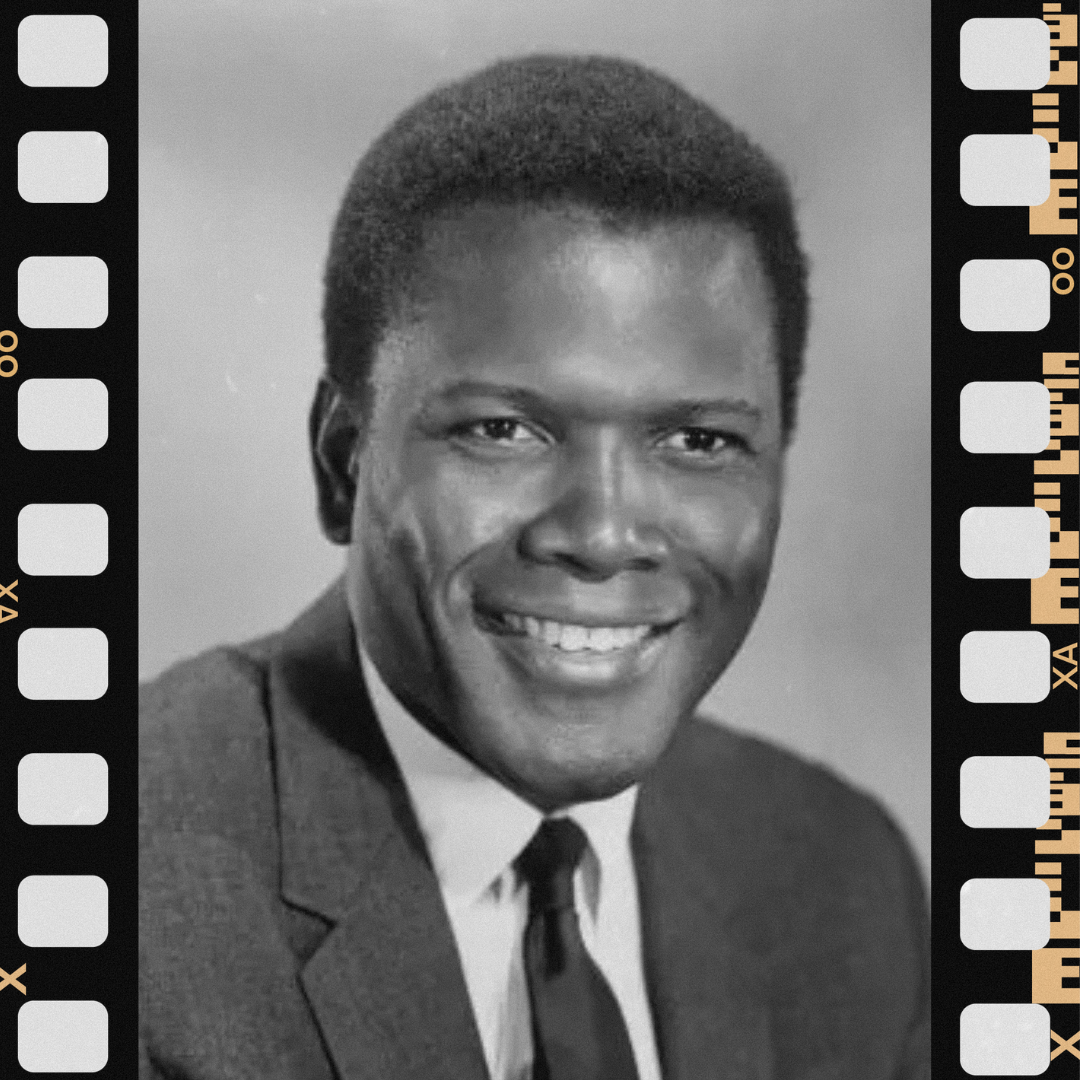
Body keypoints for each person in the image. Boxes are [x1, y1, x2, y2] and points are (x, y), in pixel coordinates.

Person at [139, 55, 929, 1080]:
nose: (602, 535)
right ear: (343, 463)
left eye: (698, 443)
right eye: (503, 430)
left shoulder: (843, 881)